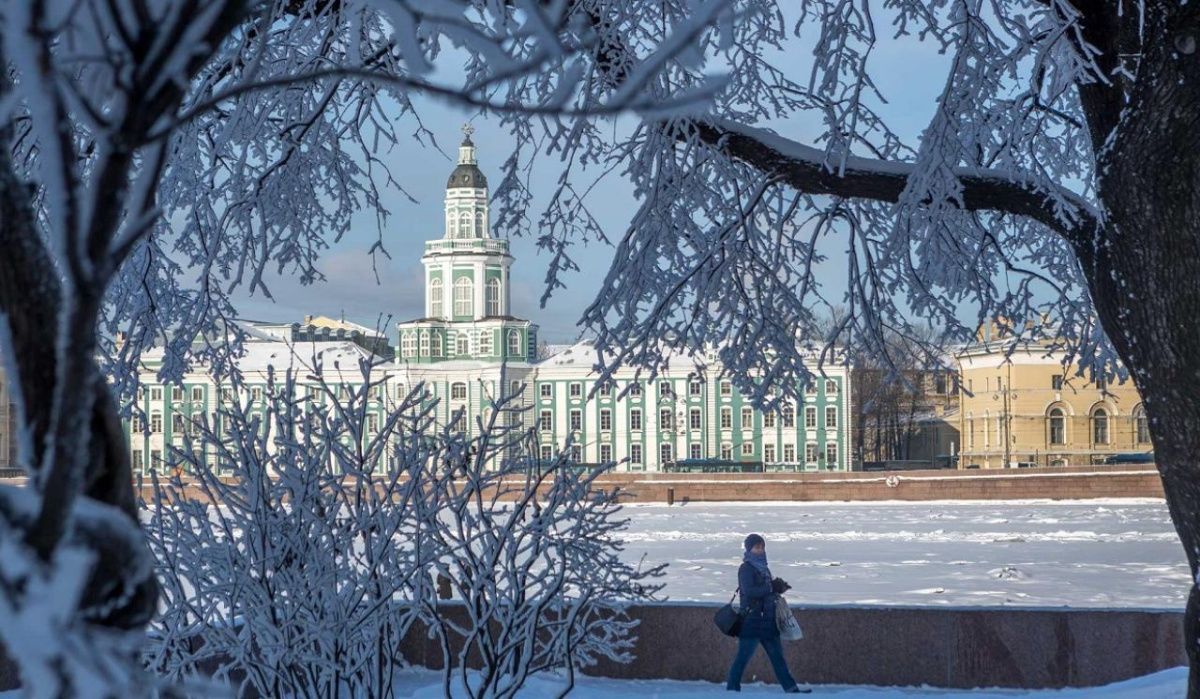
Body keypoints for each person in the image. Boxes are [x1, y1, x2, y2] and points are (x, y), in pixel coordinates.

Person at [726, 533, 810, 693]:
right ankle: (732, 690)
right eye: (756, 547)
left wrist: (779, 587)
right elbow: (749, 591)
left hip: (769, 622)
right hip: (752, 622)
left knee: (778, 658)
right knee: (742, 659)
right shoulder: (746, 568)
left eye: (762, 547)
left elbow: (766, 592)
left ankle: (791, 688)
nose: (760, 550)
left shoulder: (764, 568)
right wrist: (771, 587)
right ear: (749, 549)